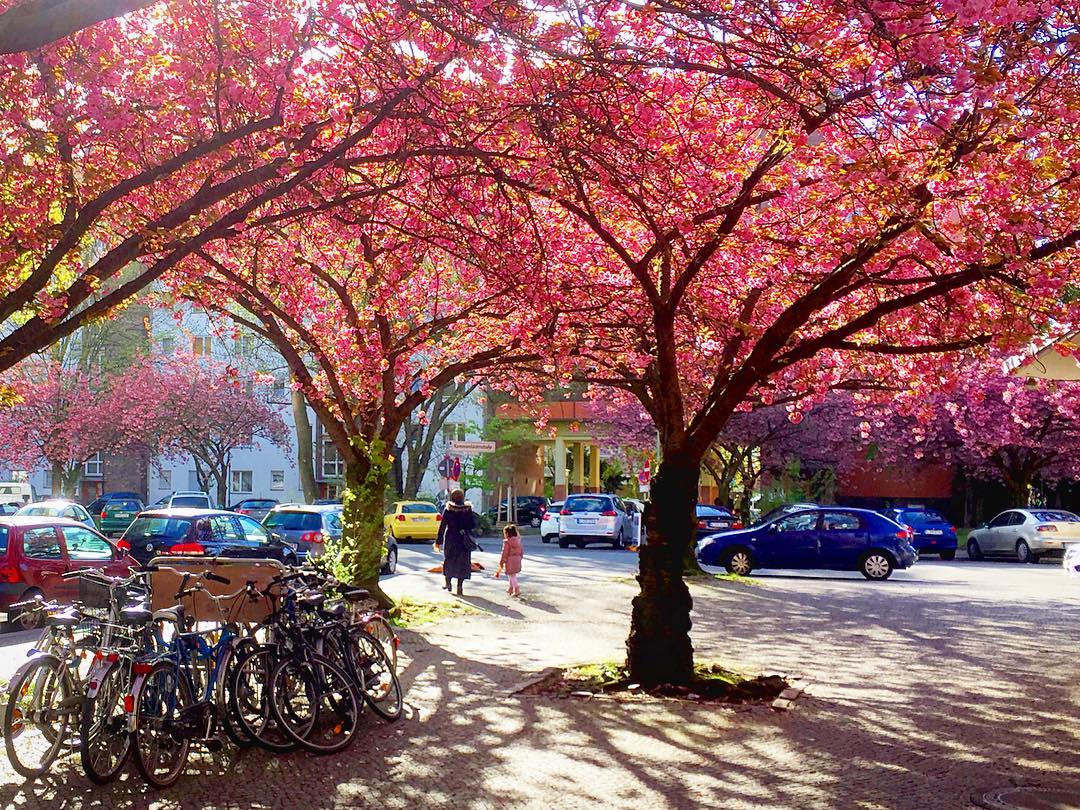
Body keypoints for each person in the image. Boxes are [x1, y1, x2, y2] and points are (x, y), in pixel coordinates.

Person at [435, 488, 475, 596]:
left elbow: (442, 526)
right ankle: (460, 587)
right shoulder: (468, 509)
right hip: (463, 540)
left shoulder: (448, 509)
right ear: (463, 497)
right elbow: (472, 524)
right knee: (463, 562)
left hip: (451, 539)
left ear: (452, 497)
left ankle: (448, 583)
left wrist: (438, 541)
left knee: (449, 560)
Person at [496, 524, 524, 597]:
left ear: (507, 533)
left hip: (510, 559)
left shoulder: (507, 542)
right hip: (517, 558)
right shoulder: (518, 540)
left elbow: (504, 552)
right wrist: (520, 557)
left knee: (511, 575)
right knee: (511, 574)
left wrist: (502, 561)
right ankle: (510, 588)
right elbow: (521, 550)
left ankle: (516, 588)